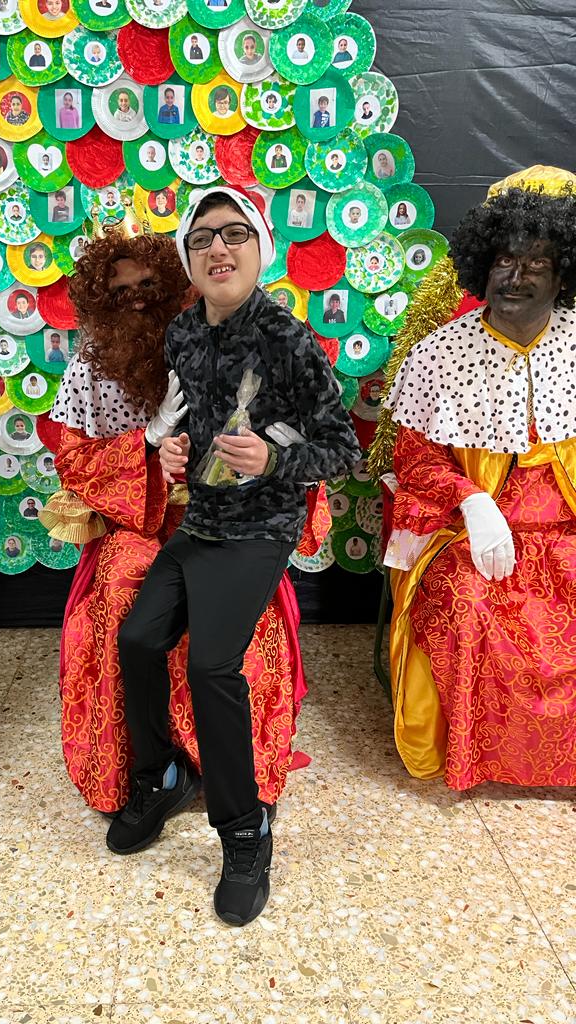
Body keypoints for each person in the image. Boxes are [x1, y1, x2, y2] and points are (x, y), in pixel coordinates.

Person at [43, 226, 327, 917]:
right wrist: (142, 448)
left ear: (176, 283)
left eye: (149, 286)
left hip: (231, 520)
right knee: (126, 606)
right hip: (139, 520)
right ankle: (157, 773)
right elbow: (73, 461)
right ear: (99, 302)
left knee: (226, 647)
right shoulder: (88, 369)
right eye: (120, 293)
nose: (137, 300)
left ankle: (242, 824)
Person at [106, 187, 359, 926]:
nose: (219, 248)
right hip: (202, 520)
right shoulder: (184, 332)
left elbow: (343, 449)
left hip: (261, 527)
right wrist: (176, 451)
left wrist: (272, 461)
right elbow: (196, 423)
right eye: (204, 237)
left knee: (212, 666)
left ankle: (246, 832)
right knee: (137, 637)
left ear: (259, 248)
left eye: (234, 233)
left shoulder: (288, 338)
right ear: (189, 257)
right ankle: (160, 779)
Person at [376, 165, 576, 792]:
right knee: (466, 602)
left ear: (563, 275)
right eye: (503, 261)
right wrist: (471, 502)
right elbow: (413, 461)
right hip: (466, 532)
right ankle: (474, 758)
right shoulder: (438, 353)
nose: (515, 277)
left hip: (565, 530)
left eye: (536, 263)